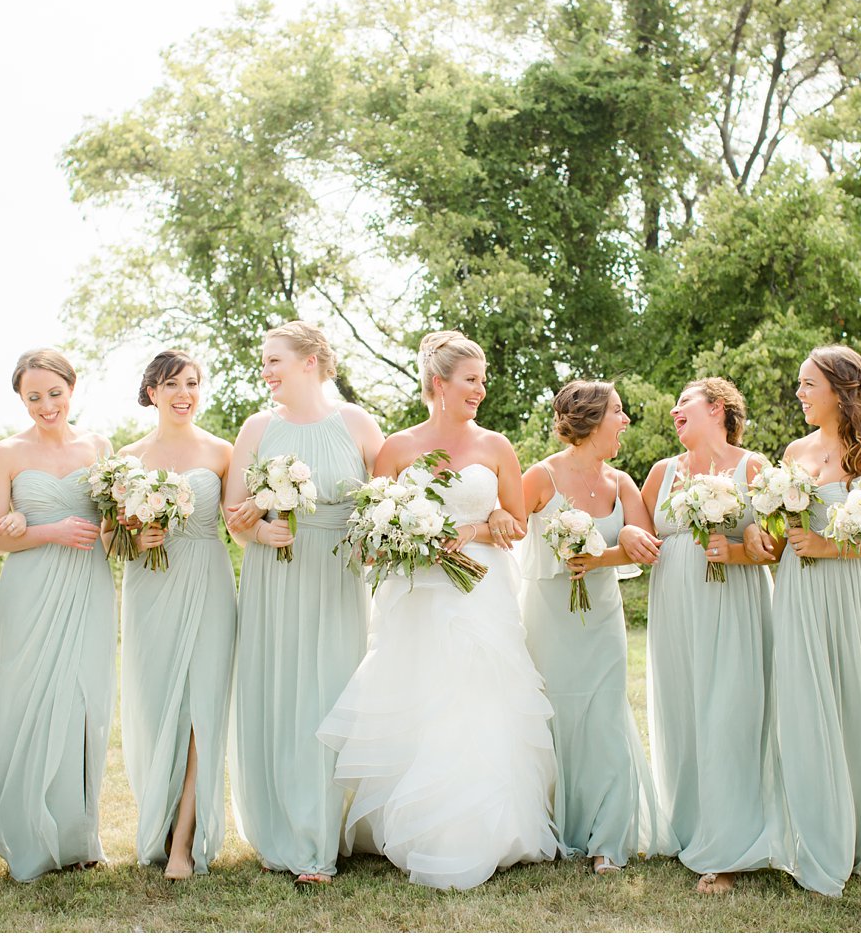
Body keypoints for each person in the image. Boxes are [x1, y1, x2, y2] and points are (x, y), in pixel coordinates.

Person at [317, 329, 561, 891]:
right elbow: (370, 533)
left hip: (481, 591)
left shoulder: (497, 446)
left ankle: (489, 826)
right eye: (471, 379)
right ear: (438, 384)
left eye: (481, 380)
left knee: (479, 697)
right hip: (417, 596)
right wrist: (415, 540)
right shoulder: (397, 448)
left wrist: (477, 527)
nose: (480, 389)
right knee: (422, 693)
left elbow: (517, 523)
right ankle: (417, 825)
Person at [223, 321, 384, 886]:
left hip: (337, 575)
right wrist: (258, 533)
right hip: (276, 575)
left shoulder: (359, 423)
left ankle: (322, 833)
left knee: (329, 696)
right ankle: (287, 831)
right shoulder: (257, 427)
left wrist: (371, 538)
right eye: (264, 362)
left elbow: (383, 500)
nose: (265, 371)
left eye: (274, 361)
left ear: (310, 360)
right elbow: (234, 511)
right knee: (279, 692)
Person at [744, 344, 861, 897]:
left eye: (809, 384)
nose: (800, 394)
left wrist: (829, 548)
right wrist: (768, 538)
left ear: (840, 389)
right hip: (799, 590)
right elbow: (789, 527)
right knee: (804, 706)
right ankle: (815, 836)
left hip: (851, 594)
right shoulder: (796, 449)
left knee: (854, 703)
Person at [517, 380, 677, 873]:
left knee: (605, 716)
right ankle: (556, 824)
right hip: (548, 615)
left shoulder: (622, 482)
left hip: (603, 616)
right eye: (619, 411)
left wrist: (605, 550)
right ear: (590, 420)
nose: (626, 421)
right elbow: (505, 533)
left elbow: (646, 547)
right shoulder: (540, 477)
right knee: (556, 716)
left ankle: (609, 837)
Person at [0, 348, 116, 881]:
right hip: (31, 588)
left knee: (85, 702)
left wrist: (134, 522)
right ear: (21, 399)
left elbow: (108, 524)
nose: (45, 405)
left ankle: (78, 837)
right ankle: (28, 836)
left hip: (90, 584)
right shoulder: (6, 454)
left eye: (54, 393)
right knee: (30, 700)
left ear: (72, 389)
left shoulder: (99, 446)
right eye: (32, 397)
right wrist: (44, 531)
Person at [640, 377, 778, 894]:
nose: (674, 411)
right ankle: (689, 827)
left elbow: (774, 548)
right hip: (674, 608)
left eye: (684, 403)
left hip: (734, 604)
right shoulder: (661, 472)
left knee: (730, 714)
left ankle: (728, 850)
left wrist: (741, 547)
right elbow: (639, 537)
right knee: (684, 712)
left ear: (717, 408)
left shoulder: (753, 467)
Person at [117, 350, 237, 880]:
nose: (183, 393)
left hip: (208, 579)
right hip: (150, 585)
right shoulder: (129, 456)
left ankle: (185, 841)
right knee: (155, 701)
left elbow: (239, 524)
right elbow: (109, 538)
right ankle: (162, 820)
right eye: (171, 385)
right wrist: (135, 535)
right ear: (151, 393)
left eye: (191, 382)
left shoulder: (222, 451)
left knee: (202, 707)